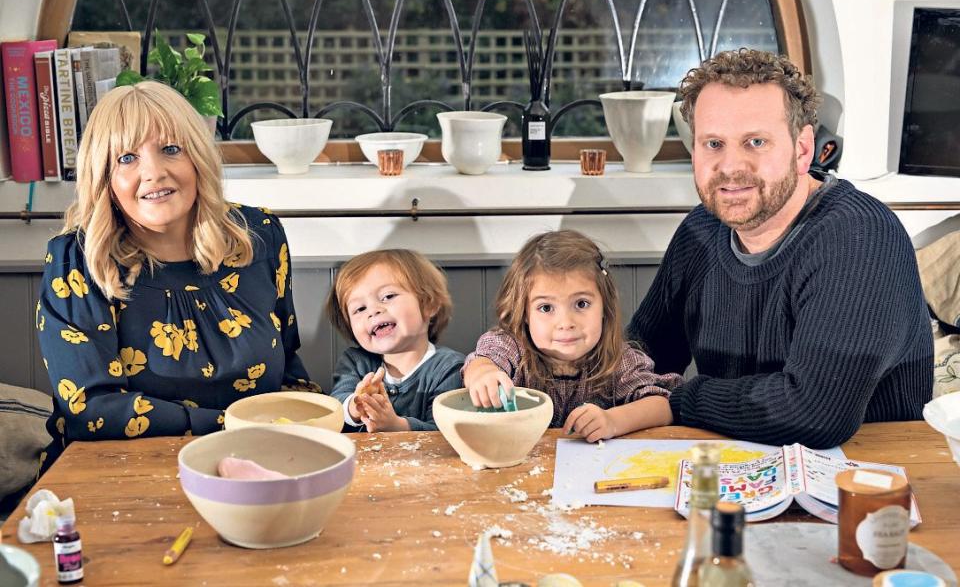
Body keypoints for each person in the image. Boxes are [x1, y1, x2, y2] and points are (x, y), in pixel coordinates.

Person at [627, 49, 932, 449]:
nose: (731, 166)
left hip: (868, 480)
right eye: (714, 143)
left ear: (802, 150)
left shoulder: (861, 236)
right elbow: (640, 360)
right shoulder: (699, 231)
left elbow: (815, 413)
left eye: (755, 142)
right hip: (739, 460)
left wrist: (681, 400)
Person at [36, 81, 315, 470]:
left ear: (198, 158)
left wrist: (326, 421)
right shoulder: (77, 261)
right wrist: (235, 428)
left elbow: (287, 370)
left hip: (259, 461)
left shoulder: (260, 234)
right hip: (119, 473)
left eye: (171, 149)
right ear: (104, 179)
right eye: (127, 158)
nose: (154, 172)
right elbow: (91, 412)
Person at [463, 230, 681, 442]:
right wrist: (484, 374)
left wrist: (612, 421)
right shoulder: (512, 346)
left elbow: (662, 404)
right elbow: (483, 362)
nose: (566, 323)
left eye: (581, 304)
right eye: (546, 308)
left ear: (605, 308)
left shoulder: (619, 360)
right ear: (524, 313)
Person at [326, 249, 464, 432]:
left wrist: (396, 426)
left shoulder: (449, 368)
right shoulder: (355, 362)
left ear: (429, 304)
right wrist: (355, 405)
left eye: (388, 297)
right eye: (360, 309)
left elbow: (444, 433)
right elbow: (335, 410)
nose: (373, 310)